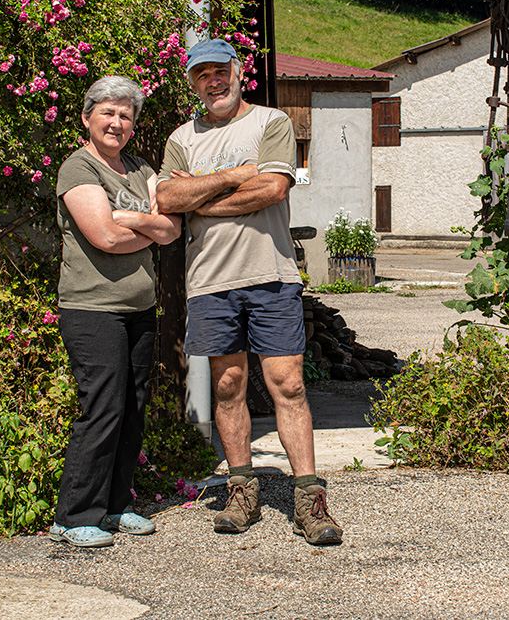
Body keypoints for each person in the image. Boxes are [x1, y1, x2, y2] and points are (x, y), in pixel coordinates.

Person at [155, 39, 342, 545]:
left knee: (289, 386)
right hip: (211, 283)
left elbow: (274, 190)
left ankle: (309, 498)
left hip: (271, 276)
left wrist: (202, 195)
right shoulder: (180, 138)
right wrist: (238, 175)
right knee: (228, 387)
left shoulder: (271, 123)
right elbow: (168, 198)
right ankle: (243, 491)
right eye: (201, 76)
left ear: (239, 73)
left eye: (220, 72)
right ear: (192, 83)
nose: (213, 82)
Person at [50, 75, 181, 548]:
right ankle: (74, 515)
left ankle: (115, 505)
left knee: (132, 409)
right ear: (88, 118)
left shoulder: (140, 167)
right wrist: (148, 227)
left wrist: (129, 219)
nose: (117, 121)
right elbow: (103, 236)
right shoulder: (78, 167)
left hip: (139, 308)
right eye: (107, 112)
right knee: (103, 407)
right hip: (92, 309)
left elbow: (172, 228)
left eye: (125, 115)